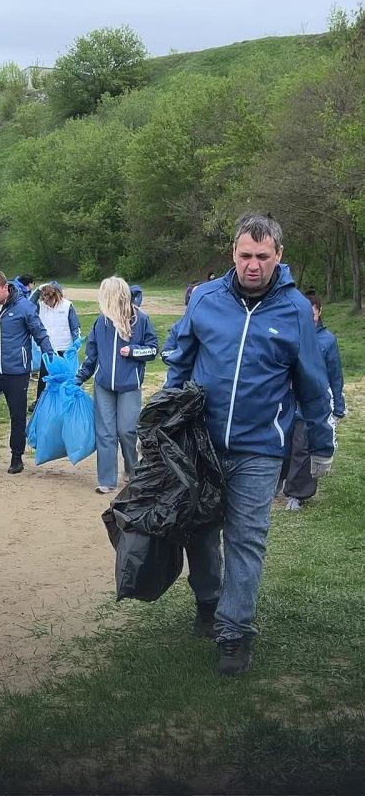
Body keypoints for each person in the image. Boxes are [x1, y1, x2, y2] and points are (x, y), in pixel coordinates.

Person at [165, 213, 335, 675]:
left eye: (263, 256)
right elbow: (180, 362)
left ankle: (235, 632)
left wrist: (320, 444)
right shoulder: (204, 299)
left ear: (279, 256)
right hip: (201, 443)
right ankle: (208, 599)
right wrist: (165, 423)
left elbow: (311, 383)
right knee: (199, 529)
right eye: (245, 255)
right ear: (232, 254)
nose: (253, 264)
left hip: (260, 448)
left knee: (246, 537)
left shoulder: (296, 309)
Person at [75, 276, 158, 494]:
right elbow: (91, 356)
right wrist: (80, 377)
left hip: (130, 385)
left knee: (127, 431)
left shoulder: (141, 320)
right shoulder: (100, 322)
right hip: (103, 386)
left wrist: (133, 351)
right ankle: (107, 480)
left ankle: (132, 470)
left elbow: (152, 349)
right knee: (105, 433)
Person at [0, 269, 54, 474]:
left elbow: (40, 333)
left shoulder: (24, 307)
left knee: (17, 415)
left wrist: (49, 354)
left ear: (5, 287)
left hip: (17, 372)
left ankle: (17, 457)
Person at [284, 289, 346, 511]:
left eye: (313, 313)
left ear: (319, 312)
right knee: (284, 445)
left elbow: (335, 375)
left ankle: (297, 494)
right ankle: (279, 481)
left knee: (303, 447)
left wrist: (338, 406)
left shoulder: (327, 341)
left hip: (309, 405)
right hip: (285, 403)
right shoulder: (290, 334)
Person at [29, 283, 81, 410]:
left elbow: (75, 327)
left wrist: (75, 344)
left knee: (66, 376)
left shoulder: (67, 305)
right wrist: (38, 290)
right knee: (44, 377)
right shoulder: (40, 306)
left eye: (49, 299)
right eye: (44, 299)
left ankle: (69, 400)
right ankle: (40, 401)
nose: (47, 303)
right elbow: (28, 305)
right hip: (48, 349)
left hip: (65, 348)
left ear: (56, 296)